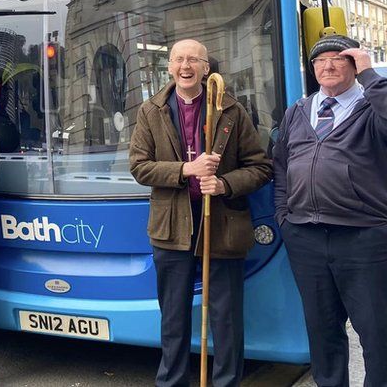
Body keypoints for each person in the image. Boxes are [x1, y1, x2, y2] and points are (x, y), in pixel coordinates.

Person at [129, 39, 271, 387]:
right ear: (169, 67)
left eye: (193, 59)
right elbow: (139, 166)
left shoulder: (232, 111)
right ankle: (172, 382)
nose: (185, 66)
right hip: (171, 226)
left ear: (207, 68)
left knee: (226, 317)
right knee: (174, 316)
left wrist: (224, 185)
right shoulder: (151, 110)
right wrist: (185, 170)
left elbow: (260, 167)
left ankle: (225, 383)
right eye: (178, 59)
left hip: (221, 224)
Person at [273, 35, 387, 387]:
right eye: (320, 61)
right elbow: (280, 165)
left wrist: (371, 75)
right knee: (322, 330)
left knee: (377, 330)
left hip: (363, 235)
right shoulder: (298, 111)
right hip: (305, 236)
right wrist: (284, 215)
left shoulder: (371, 106)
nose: (329, 65)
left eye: (339, 58)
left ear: (355, 65)